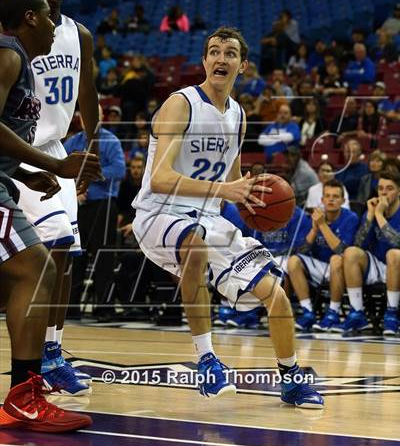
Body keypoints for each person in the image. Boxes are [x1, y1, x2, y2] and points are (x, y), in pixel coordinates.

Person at [131, 26, 324, 408]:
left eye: (230, 53)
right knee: (196, 246)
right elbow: (161, 178)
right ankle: (206, 359)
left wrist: (252, 199)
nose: (221, 58)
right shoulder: (180, 104)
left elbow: (233, 180)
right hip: (159, 212)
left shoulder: (238, 115)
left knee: (277, 296)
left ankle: (291, 379)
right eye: (214, 51)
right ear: (204, 61)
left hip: (209, 217)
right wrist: (226, 192)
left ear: (243, 65)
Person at [0, 0, 100, 432]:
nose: (56, 24)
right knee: (37, 269)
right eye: (47, 15)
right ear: (30, 18)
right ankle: (25, 394)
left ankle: (24, 393)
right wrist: (55, 163)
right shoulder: (9, 55)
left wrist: (23, 175)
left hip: (5, 181)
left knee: (34, 271)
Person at [341, 171, 400, 334]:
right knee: (351, 252)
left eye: (389, 188)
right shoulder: (373, 211)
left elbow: (398, 242)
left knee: (393, 254)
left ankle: (392, 314)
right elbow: (358, 243)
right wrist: (370, 215)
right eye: (381, 188)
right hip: (378, 265)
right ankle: (357, 313)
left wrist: (379, 214)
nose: (384, 193)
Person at [65, 113, 126, 320]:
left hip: (104, 205)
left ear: (101, 117)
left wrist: (87, 174)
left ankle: (105, 308)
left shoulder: (111, 141)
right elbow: (60, 165)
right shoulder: (74, 141)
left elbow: (119, 170)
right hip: (78, 205)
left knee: (104, 258)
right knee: (75, 257)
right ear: (81, 120)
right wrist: (75, 186)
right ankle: (71, 308)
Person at [288, 180, 359, 332]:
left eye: (335, 196)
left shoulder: (350, 218)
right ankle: (307, 311)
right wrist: (314, 230)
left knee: (336, 259)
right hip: (319, 267)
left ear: (343, 200)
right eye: (327, 196)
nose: (331, 199)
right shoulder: (314, 217)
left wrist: (322, 226)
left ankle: (333, 312)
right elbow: (300, 250)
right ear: (322, 200)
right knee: (293, 261)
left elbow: (342, 251)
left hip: (344, 269)